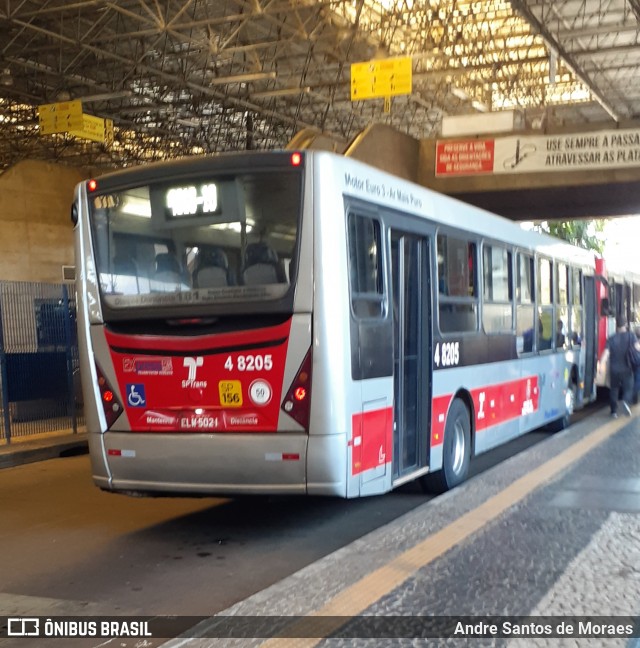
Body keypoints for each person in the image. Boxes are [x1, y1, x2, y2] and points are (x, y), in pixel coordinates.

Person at [606, 316, 636, 417]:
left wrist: (601, 365)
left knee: (614, 389)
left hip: (614, 369)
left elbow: (606, 352)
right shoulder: (631, 336)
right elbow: (637, 347)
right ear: (626, 325)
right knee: (629, 387)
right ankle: (625, 401)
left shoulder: (611, 338)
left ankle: (613, 411)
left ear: (616, 326)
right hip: (627, 367)